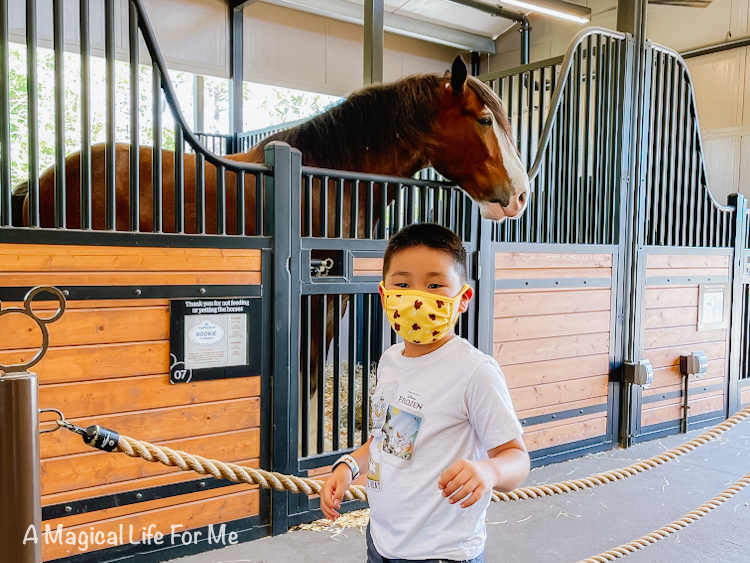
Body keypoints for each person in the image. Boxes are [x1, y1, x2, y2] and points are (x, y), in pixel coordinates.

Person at [320, 222, 530, 563]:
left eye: (435, 285)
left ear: (462, 299)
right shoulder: (389, 362)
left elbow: (517, 460)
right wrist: (348, 467)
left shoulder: (475, 371)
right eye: (402, 284)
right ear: (385, 295)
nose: (417, 297)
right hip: (382, 542)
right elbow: (388, 440)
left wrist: (489, 472)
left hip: (442, 554)